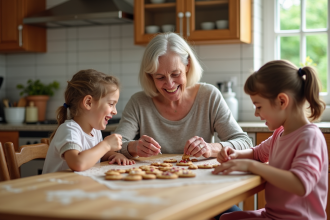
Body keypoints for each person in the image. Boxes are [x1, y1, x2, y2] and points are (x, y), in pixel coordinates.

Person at [114, 32, 253, 215]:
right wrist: (132, 147)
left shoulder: (208, 96)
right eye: (160, 77)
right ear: (150, 76)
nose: (170, 84)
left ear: (187, 66)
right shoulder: (139, 102)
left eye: (175, 74)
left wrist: (210, 148)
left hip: (203, 191)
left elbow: (245, 142)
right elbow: (113, 147)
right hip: (152, 193)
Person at [214, 60, 328, 220]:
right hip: (273, 215)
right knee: (225, 217)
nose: (256, 113)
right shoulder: (280, 133)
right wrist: (235, 154)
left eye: (259, 106)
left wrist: (251, 166)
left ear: (282, 101)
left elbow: (301, 185)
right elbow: (257, 153)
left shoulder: (310, 137)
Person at [43, 69, 135, 174]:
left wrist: (113, 155)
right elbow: (78, 163)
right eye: (111, 104)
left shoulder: (95, 131)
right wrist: (106, 145)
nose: (115, 111)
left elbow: (97, 155)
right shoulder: (69, 130)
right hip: (55, 188)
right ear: (88, 102)